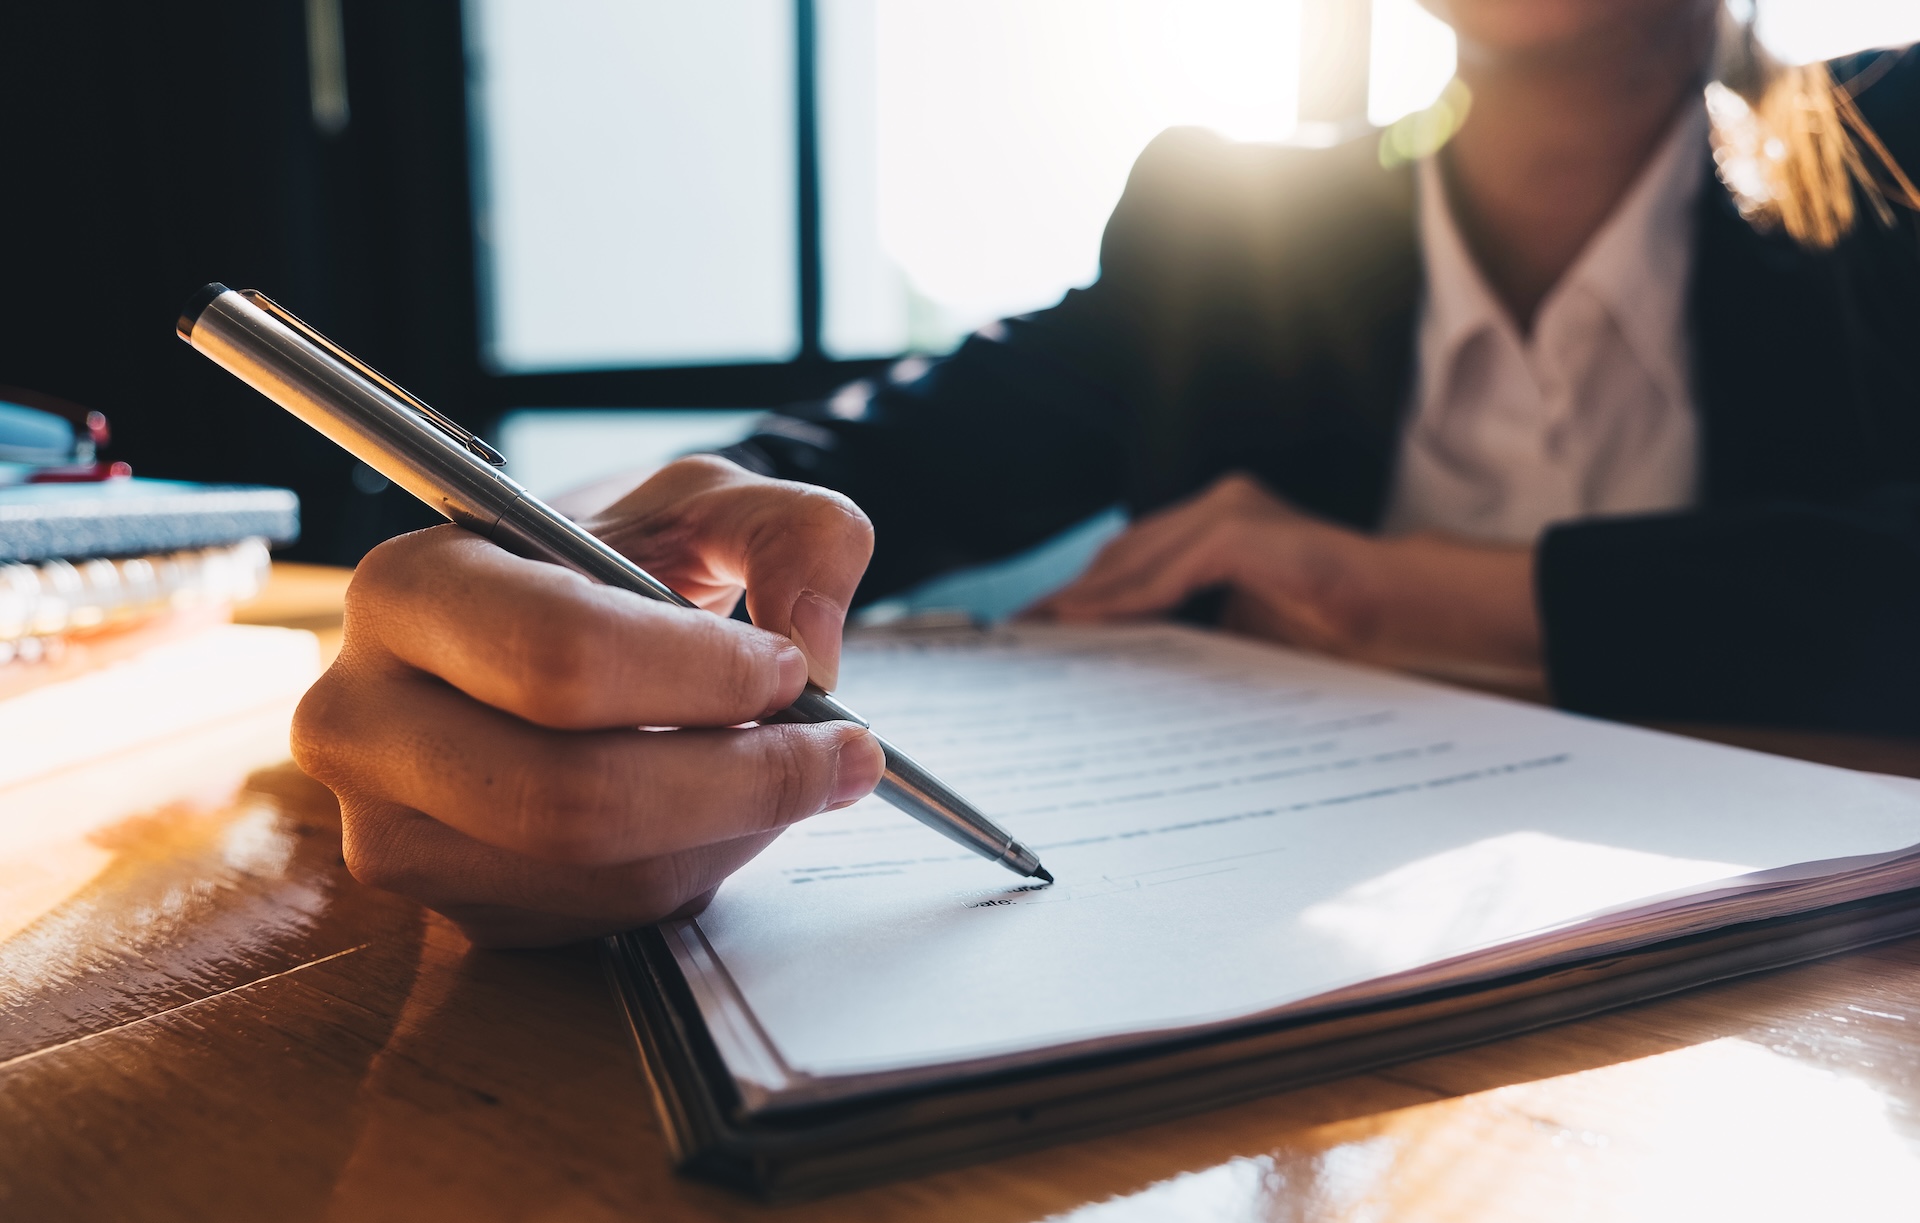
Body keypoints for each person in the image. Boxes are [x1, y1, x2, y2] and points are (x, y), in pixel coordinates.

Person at [295, 1, 1920, 945]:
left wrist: (1385, 581)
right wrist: (572, 574)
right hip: (1285, 970)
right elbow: (863, 461)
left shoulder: (1893, 153)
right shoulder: (1235, 229)